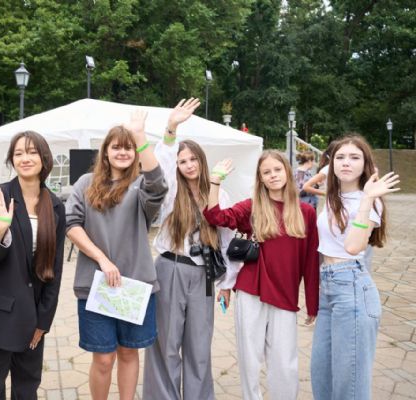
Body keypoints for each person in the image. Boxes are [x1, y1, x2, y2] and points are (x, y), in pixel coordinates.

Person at [143, 98, 242, 399]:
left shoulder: (218, 193)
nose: (188, 165)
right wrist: (171, 128)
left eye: (193, 159)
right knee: (166, 344)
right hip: (170, 267)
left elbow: (227, 239)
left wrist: (227, 283)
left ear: (202, 161)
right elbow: (161, 164)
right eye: (182, 161)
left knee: (199, 345)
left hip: (204, 275)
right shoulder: (171, 191)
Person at [65, 110, 167, 400]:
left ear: (136, 153)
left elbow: (159, 184)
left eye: (129, 147)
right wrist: (102, 259)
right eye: (116, 147)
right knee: (103, 358)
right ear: (106, 152)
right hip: (95, 286)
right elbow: (71, 224)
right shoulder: (85, 183)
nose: (123, 152)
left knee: (128, 352)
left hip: (135, 286)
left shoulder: (141, 185)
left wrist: (140, 136)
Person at [203, 151, 319, 400]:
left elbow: (311, 262)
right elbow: (215, 217)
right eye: (267, 172)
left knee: (285, 361)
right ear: (261, 178)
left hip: (285, 294)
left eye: (277, 170)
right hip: (251, 289)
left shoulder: (306, 212)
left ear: (287, 171)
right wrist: (215, 182)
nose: (273, 175)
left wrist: (313, 303)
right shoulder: (252, 207)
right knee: (249, 357)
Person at [0, 131, 66, 400]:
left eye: (32, 152)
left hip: (32, 316)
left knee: (27, 388)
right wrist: (0, 231)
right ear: (12, 160)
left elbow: (55, 269)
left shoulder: (55, 206)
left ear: (44, 158)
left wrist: (43, 321)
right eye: (19, 153)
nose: (25, 158)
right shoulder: (0, 195)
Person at [310, 135, 399, 400]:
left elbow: (353, 246)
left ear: (365, 164)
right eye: (340, 157)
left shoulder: (370, 201)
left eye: (354, 157)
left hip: (352, 288)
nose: (346, 162)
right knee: (322, 374)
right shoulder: (333, 197)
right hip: (328, 288)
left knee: (349, 384)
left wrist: (368, 199)